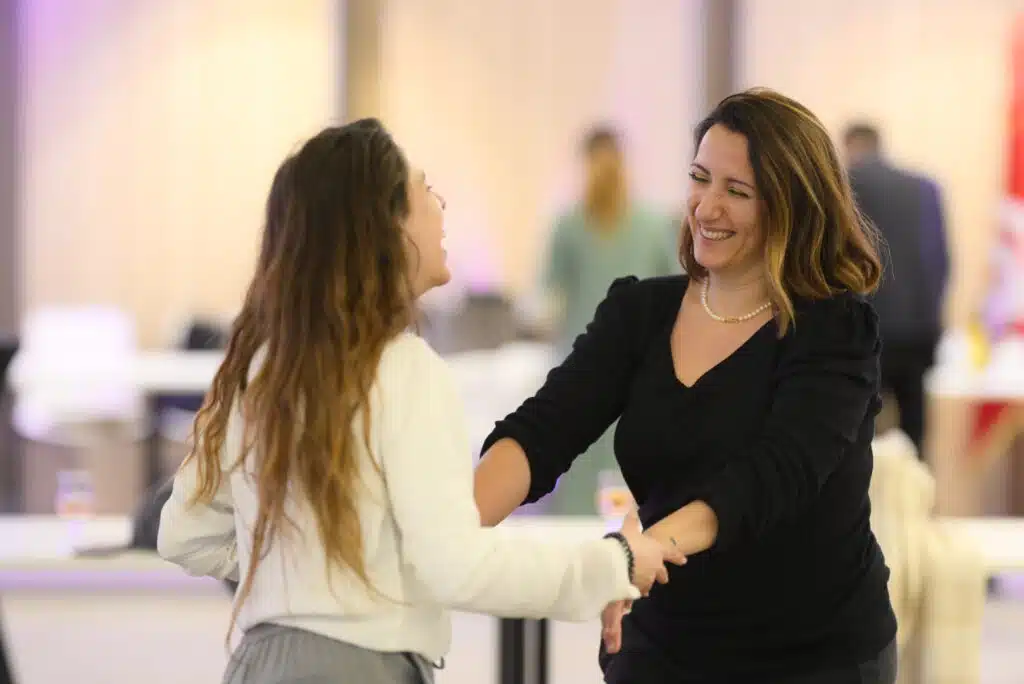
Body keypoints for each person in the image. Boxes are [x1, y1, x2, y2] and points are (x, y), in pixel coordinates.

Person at [157, 119, 682, 684]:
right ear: (386, 229)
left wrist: (300, 579)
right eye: (424, 190)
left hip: (257, 667)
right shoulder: (404, 370)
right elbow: (455, 566)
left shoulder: (263, 372)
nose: (440, 204)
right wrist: (614, 563)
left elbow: (182, 533)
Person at [474, 89, 899, 683]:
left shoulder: (833, 328)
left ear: (791, 208)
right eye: (700, 179)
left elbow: (773, 476)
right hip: (666, 640)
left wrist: (633, 553)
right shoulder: (640, 313)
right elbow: (544, 428)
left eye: (737, 191)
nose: (706, 207)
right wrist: (453, 529)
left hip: (810, 651)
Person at [541, 126, 680, 515]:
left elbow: (548, 296)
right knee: (625, 456)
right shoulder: (651, 224)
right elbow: (675, 288)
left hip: (581, 357)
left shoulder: (569, 225)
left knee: (579, 451)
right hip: (637, 360)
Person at [844, 122, 949, 452]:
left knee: (858, 435)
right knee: (914, 434)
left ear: (851, 147)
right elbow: (940, 262)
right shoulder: (925, 188)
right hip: (916, 332)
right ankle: (916, 500)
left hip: (862, 333)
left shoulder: (847, 185)